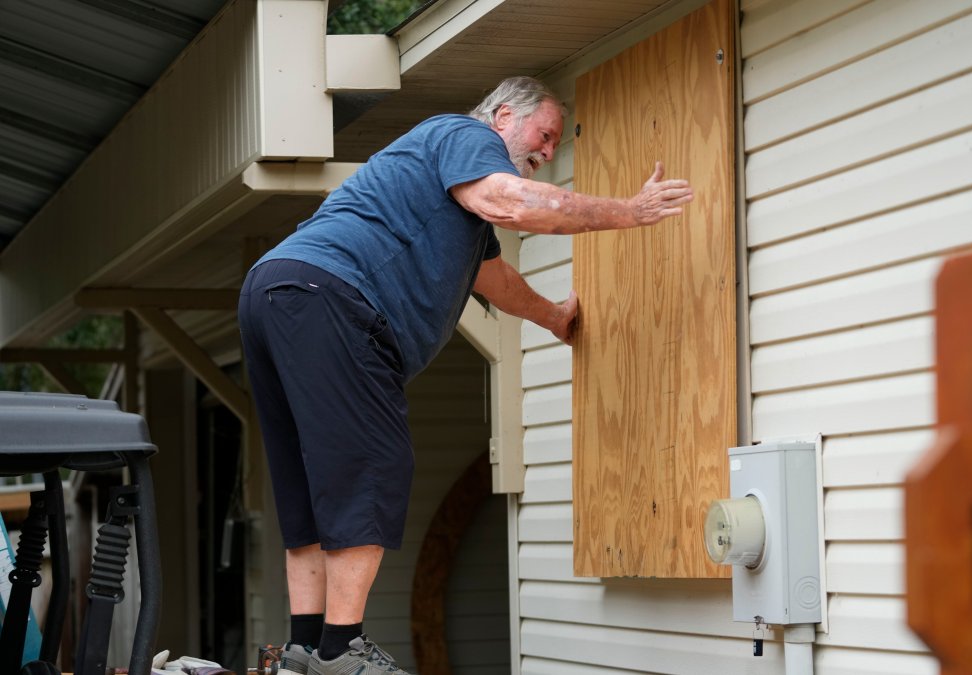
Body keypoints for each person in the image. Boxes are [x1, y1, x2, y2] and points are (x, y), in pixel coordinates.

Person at [237, 76, 693, 675]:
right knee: (373, 461)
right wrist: (629, 213)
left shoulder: (451, 203)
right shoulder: (463, 135)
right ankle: (341, 649)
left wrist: (555, 318)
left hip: (276, 290)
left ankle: (304, 648)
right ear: (504, 116)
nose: (549, 153)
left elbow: (494, 281)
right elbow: (513, 201)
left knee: (312, 474)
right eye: (545, 135)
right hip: (333, 296)